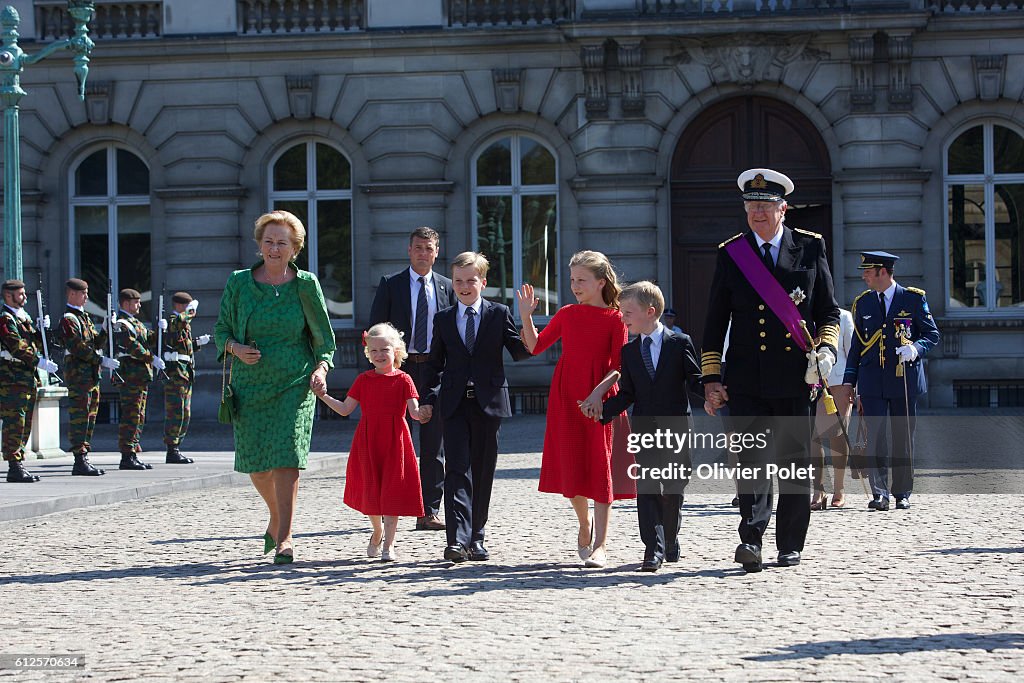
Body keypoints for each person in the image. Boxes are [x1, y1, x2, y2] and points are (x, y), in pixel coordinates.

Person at [702, 168, 840, 573]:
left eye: (764, 206)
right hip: (745, 377)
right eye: (750, 207)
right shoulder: (732, 253)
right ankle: (752, 538)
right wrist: (712, 378)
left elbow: (827, 309)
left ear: (783, 209)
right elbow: (714, 322)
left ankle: (790, 543)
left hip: (795, 376)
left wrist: (827, 347)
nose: (757, 213)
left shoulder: (810, 248)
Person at [215, 210, 336, 564]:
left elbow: (323, 338)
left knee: (287, 458)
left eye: (282, 242)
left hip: (294, 382)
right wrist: (235, 348)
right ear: (259, 245)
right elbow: (221, 330)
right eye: (268, 241)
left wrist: (322, 367)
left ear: (294, 248)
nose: (274, 248)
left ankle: (285, 536)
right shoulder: (238, 282)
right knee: (256, 465)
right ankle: (276, 516)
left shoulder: (305, 284)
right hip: (250, 385)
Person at [517, 250, 633, 569]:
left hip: (601, 398)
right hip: (566, 398)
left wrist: (597, 394)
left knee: (600, 468)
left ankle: (601, 545)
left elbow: (619, 364)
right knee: (572, 467)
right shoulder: (568, 313)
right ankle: (584, 523)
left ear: (601, 282)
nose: (575, 286)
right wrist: (526, 315)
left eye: (581, 280)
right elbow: (534, 346)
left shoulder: (616, 317)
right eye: (572, 280)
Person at [581, 281, 704, 572]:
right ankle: (653, 547)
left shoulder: (679, 343)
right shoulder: (630, 352)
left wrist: (714, 393)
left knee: (673, 489)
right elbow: (628, 394)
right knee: (648, 488)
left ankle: (669, 538)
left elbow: (694, 379)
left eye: (628, 312)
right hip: (645, 429)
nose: (622, 317)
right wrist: (601, 412)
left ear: (650, 312)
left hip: (677, 429)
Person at [423, 252, 531, 563]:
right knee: (457, 470)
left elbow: (521, 353)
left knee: (482, 471)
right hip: (454, 403)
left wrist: (525, 318)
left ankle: (477, 537)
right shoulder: (443, 318)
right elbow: (434, 364)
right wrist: (428, 398)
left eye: (471, 280)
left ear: (482, 283)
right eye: (458, 281)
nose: (464, 286)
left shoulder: (498, 313)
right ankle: (456, 540)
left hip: (489, 404)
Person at [314, 323, 426, 562]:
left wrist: (427, 411)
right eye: (373, 351)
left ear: (396, 351)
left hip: (396, 440)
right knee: (372, 493)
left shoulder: (405, 379)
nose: (379, 355)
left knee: (392, 492)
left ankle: (389, 544)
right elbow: (345, 409)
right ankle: (377, 531)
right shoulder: (363, 380)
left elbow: (415, 412)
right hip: (368, 440)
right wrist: (323, 395)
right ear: (368, 353)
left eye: (384, 349)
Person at [369, 226, 457, 532]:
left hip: (434, 371)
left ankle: (428, 509)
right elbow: (375, 330)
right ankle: (386, 504)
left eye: (429, 248)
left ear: (437, 252)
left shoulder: (448, 287)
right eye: (418, 248)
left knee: (434, 444)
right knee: (393, 442)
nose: (423, 253)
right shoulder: (391, 285)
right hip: (398, 371)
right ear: (409, 251)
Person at [838, 251, 939, 511]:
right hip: (872, 380)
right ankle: (879, 493)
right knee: (876, 437)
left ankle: (902, 491)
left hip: (903, 379)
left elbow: (931, 334)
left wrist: (915, 348)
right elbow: (858, 347)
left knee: (902, 436)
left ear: (883, 272)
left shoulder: (913, 299)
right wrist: (850, 382)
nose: (864, 276)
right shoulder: (863, 303)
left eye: (868, 271)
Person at [58, 277, 120, 476]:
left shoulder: (83, 318)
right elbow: (78, 348)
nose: (86, 297)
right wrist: (101, 361)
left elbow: (97, 344)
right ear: (72, 294)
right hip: (78, 376)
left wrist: (105, 328)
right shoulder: (68, 319)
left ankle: (84, 455)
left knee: (89, 417)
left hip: (91, 376)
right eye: (83, 293)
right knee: (80, 417)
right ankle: (79, 458)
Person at [1, 279, 58, 483]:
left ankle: (18, 462)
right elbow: (16, 347)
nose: (25, 297)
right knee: (14, 423)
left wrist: (43, 331)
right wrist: (39, 362)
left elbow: (36, 343)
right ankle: (13, 465)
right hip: (11, 381)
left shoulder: (22, 318)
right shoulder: (5, 319)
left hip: (26, 379)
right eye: (21, 294)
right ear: (9, 295)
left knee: (24, 423)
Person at [113, 288, 167, 470]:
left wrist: (161, 331)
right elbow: (132, 346)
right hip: (130, 377)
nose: (139, 305)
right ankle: (126, 455)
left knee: (139, 415)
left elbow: (149, 340)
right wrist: (151, 358)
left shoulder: (136, 323)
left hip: (140, 377)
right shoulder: (121, 324)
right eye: (136, 302)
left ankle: (133, 451)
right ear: (126, 303)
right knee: (131, 415)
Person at [811, 307, 855, 510]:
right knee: (813, 437)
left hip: (837, 382)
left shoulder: (843, 316)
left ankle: (839, 489)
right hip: (807, 382)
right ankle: (818, 490)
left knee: (837, 435)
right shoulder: (800, 314)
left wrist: (856, 388)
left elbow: (852, 354)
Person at [162, 291, 212, 464]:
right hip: (175, 374)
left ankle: (177, 446)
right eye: (187, 307)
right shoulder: (172, 321)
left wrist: (197, 343)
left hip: (185, 373)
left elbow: (182, 347)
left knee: (185, 413)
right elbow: (176, 325)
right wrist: (190, 312)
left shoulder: (183, 325)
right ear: (179, 306)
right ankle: (172, 449)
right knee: (176, 412)